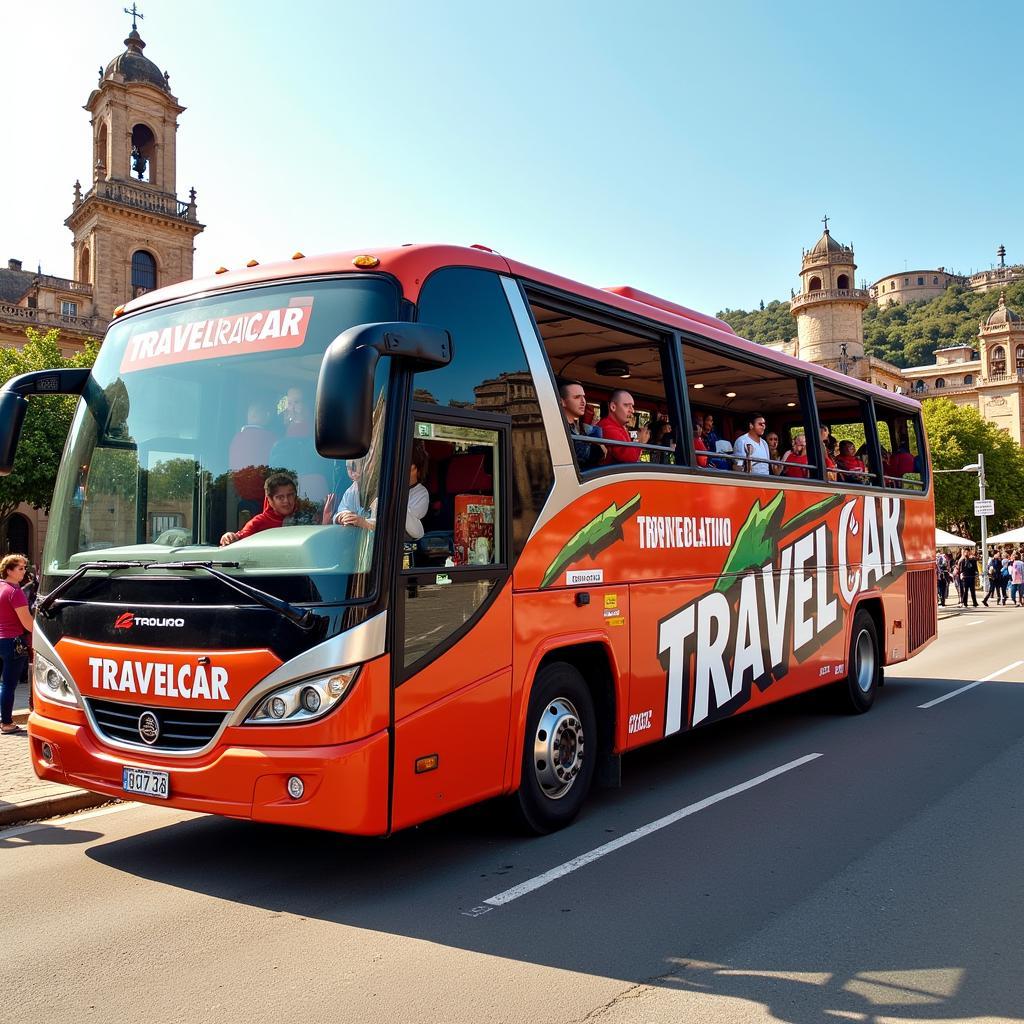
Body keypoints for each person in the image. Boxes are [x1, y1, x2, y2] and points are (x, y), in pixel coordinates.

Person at [336, 444, 429, 541]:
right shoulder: (356, 488)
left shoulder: (421, 493)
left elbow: (402, 524)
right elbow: (343, 508)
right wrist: (343, 516)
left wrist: (365, 523)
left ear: (413, 468)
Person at [0, 554, 33, 734]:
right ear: (9, 570)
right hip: (13, 641)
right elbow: (28, 623)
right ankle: (6, 723)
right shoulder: (15, 592)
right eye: (20, 568)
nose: (24, 572)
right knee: (9, 685)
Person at [220, 472, 298, 545]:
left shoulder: (304, 516)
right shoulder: (258, 522)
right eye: (280, 497)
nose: (286, 501)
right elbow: (239, 538)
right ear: (269, 500)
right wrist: (229, 537)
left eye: (290, 495)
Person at [558, 380, 605, 469]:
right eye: (577, 397)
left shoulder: (582, 429)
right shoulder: (560, 430)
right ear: (562, 401)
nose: (583, 401)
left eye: (583, 397)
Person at [597, 390, 649, 465]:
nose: (632, 410)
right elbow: (629, 459)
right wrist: (640, 441)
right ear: (613, 407)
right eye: (626, 405)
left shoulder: (619, 427)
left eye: (632, 406)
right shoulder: (608, 428)